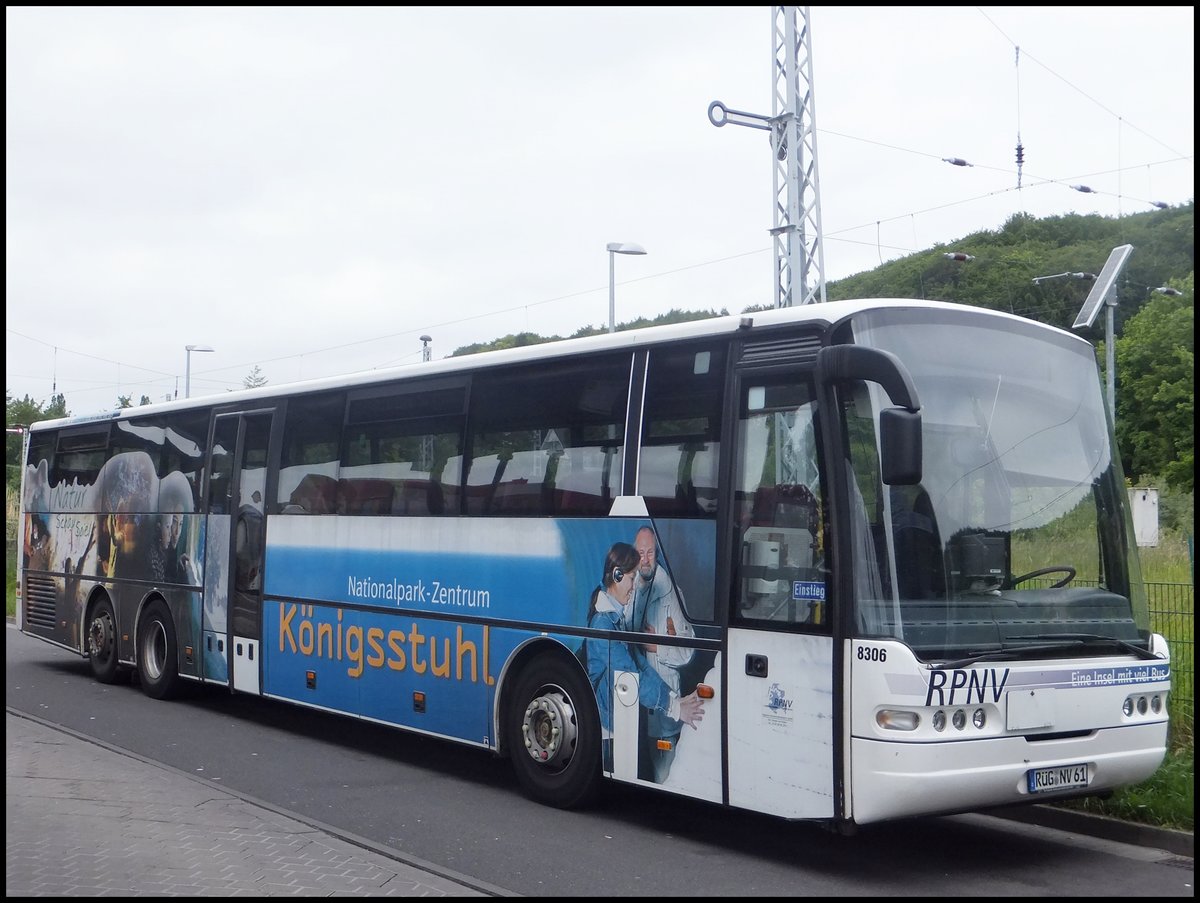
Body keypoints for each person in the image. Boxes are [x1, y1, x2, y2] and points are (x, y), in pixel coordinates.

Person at [585, 542, 704, 774]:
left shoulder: (613, 618)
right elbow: (631, 676)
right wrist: (676, 709)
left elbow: (639, 663)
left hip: (617, 720)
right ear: (617, 576)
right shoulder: (603, 624)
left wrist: (674, 699)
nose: (633, 586)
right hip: (608, 727)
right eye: (631, 578)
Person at [630, 525, 695, 783]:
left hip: (663, 706)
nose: (645, 559)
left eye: (650, 553)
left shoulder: (672, 594)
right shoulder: (629, 589)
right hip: (634, 701)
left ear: (657, 554)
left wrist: (658, 646)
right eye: (640, 553)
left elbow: (687, 652)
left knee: (663, 777)